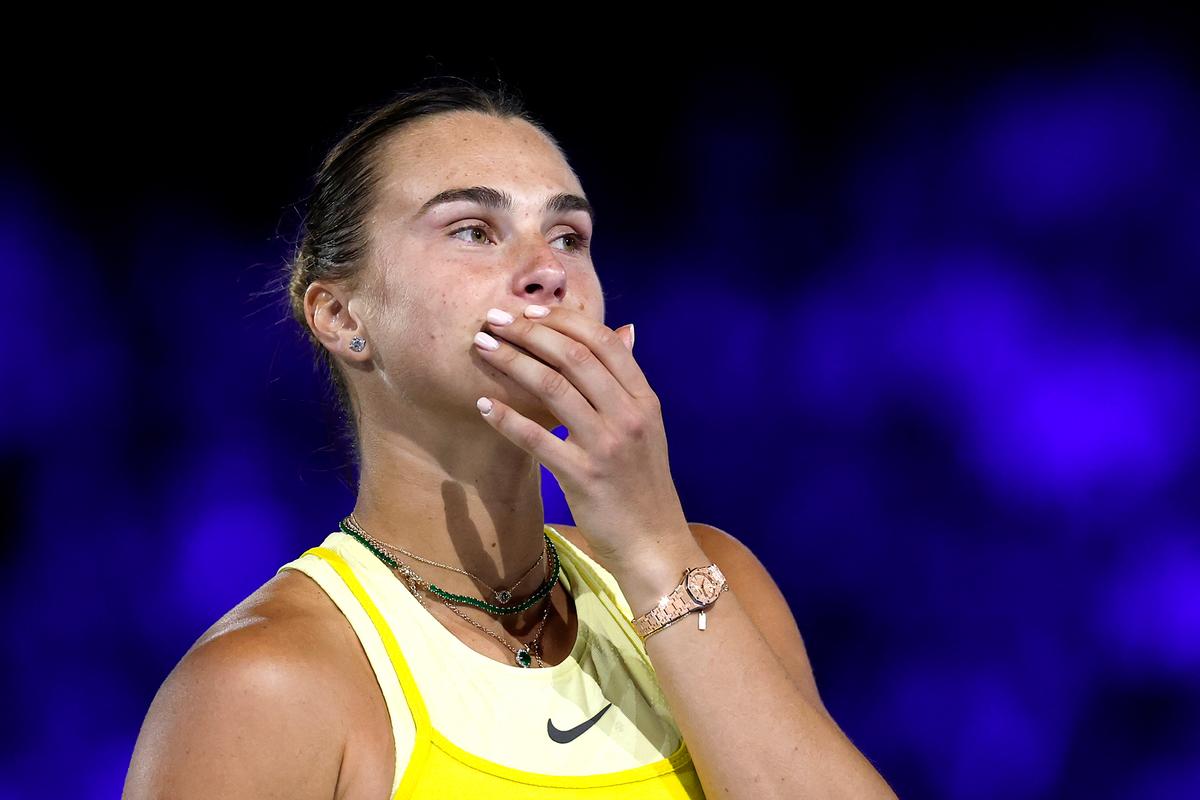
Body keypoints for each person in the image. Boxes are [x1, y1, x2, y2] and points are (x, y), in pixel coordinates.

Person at [123, 77, 898, 799]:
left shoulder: (713, 579)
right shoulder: (266, 682)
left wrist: (655, 547)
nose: (546, 272)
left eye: (568, 235)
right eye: (473, 229)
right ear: (342, 316)